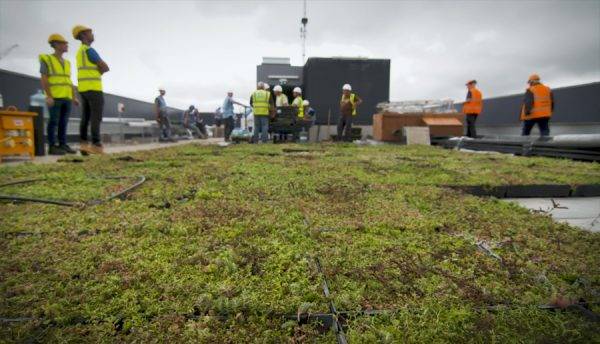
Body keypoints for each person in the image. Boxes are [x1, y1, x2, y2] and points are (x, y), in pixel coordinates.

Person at [39, 34, 79, 155]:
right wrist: (49, 96)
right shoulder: (47, 59)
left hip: (66, 97)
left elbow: (69, 81)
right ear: (56, 45)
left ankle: (63, 144)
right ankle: (52, 146)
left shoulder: (67, 63)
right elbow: (44, 79)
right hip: (55, 97)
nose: (67, 45)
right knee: (53, 122)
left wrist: (74, 96)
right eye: (64, 43)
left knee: (63, 122)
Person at [72, 25, 109, 155]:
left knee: (85, 117)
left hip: (83, 89)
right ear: (83, 35)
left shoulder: (79, 52)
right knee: (95, 117)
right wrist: (99, 71)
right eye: (90, 33)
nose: (93, 35)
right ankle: (96, 144)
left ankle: (83, 145)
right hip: (94, 88)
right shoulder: (89, 50)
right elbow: (105, 67)